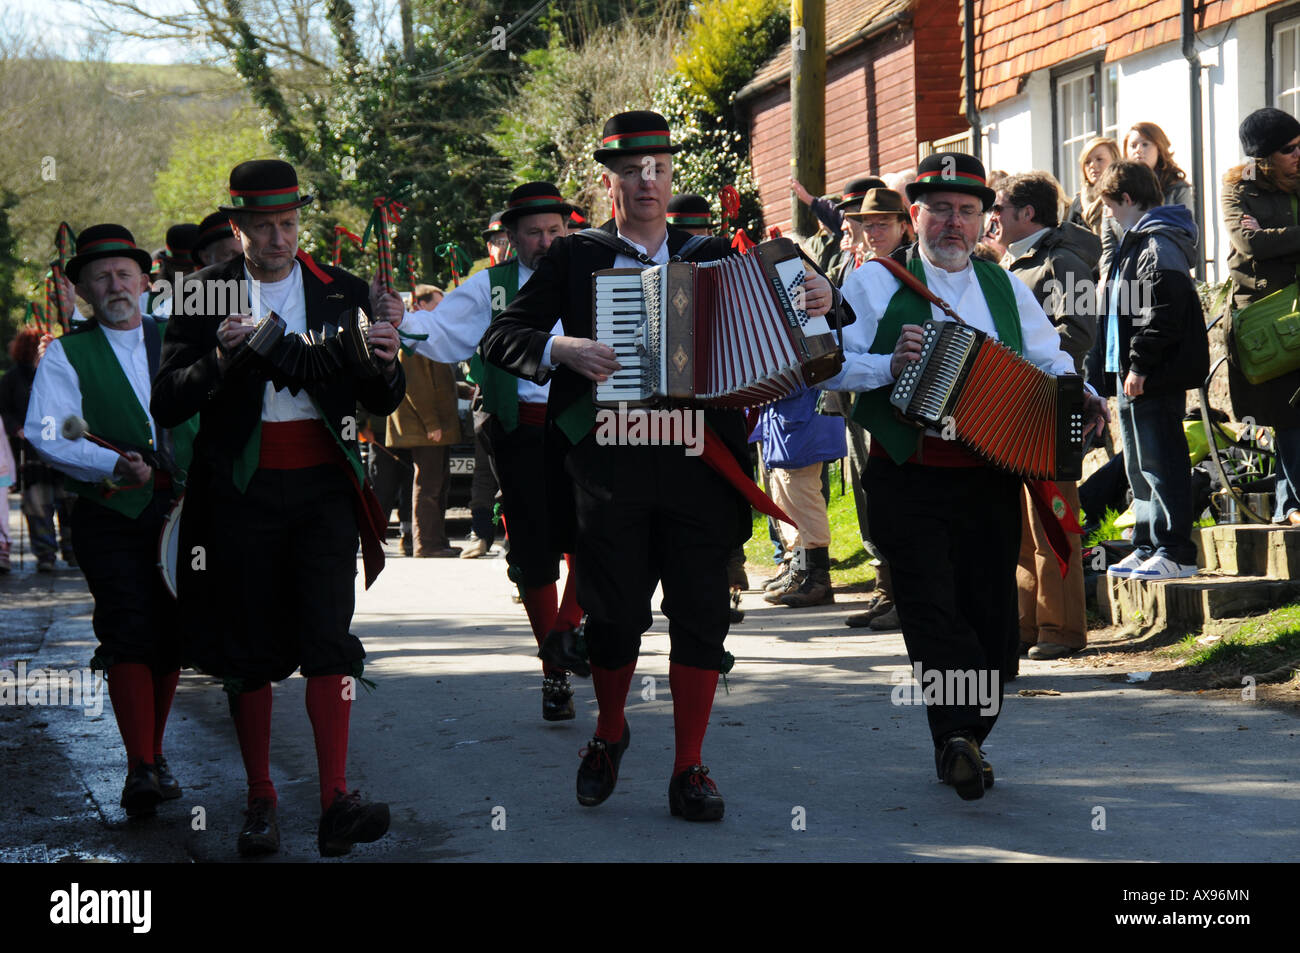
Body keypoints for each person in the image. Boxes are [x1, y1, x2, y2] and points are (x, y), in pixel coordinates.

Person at [479, 110, 843, 820]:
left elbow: (816, 316)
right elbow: (504, 335)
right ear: (609, 180)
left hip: (698, 464)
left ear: (671, 175)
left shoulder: (713, 255)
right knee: (613, 621)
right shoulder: (576, 256)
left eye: (659, 170)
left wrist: (830, 295)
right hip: (608, 468)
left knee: (702, 614)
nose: (648, 183)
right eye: (632, 172)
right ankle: (610, 731)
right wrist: (565, 351)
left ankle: (689, 767)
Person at [823, 152, 1108, 800]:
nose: (954, 222)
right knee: (931, 608)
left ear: (985, 219)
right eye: (942, 209)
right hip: (908, 470)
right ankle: (956, 736)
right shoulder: (874, 284)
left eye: (968, 210)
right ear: (915, 214)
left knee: (992, 627)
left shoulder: (1003, 286)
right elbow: (829, 365)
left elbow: (1050, 357)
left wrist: (1080, 392)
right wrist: (886, 364)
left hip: (988, 477)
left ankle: (967, 734)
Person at [151, 159, 404, 857]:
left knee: (330, 636)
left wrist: (385, 361)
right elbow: (168, 398)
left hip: (324, 484)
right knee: (248, 645)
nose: (277, 238)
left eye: (288, 224)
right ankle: (260, 797)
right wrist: (220, 362)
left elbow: (382, 395)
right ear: (236, 228)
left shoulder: (343, 289)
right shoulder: (201, 294)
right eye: (261, 227)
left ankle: (335, 801)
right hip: (238, 487)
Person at [395, 181, 587, 722]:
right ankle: (554, 675)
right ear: (512, 237)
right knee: (532, 552)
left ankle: (568, 633)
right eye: (534, 232)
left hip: (583, 427)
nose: (546, 241)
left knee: (598, 532)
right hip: (517, 430)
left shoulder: (593, 274)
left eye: (555, 230)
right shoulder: (491, 288)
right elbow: (437, 331)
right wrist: (397, 318)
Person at [24, 223, 195, 817]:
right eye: (101, 277)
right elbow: (46, 431)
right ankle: (139, 766)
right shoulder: (68, 354)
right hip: (109, 512)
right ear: (86, 293)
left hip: (181, 510)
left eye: (124, 273)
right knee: (128, 629)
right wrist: (111, 466)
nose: (115, 284)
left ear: (146, 280)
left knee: (173, 634)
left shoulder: (177, 336)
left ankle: (155, 752)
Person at [994, 171, 1101, 660]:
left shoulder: (1063, 260)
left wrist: (1017, 364)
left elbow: (1076, 333)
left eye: (1000, 210)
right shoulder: (1015, 264)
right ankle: (1026, 623)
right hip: (1016, 405)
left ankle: (1062, 629)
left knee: (1054, 520)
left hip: (1051, 404)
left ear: (1027, 214)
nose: (993, 219)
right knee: (1020, 523)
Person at [1087, 160, 1208, 580]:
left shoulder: (1157, 242)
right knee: (1138, 464)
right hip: (1131, 374)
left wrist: (1139, 365)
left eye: (1108, 206)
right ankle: (1147, 544)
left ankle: (1176, 551)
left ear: (1126, 198)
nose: (1107, 215)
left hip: (1152, 376)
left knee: (1162, 462)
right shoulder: (1134, 241)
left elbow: (1163, 310)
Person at [837, 188, 914, 629]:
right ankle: (886, 589)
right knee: (873, 494)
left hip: (908, 407)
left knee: (898, 499)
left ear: (904, 225)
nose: (874, 230)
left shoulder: (919, 268)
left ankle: (901, 594)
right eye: (868, 223)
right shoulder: (861, 272)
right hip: (870, 394)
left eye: (883, 222)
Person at [1220, 106, 1300, 526]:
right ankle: (1293, 505)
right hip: (1269, 320)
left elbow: (1267, 241)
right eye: (1289, 149)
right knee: (1288, 412)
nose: (1299, 154)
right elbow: (1250, 243)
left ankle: (1291, 506)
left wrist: (1277, 238)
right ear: (1264, 157)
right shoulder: (1238, 189)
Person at [389, 284, 462, 557]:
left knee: (439, 483)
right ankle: (427, 543)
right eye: (437, 304)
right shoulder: (415, 336)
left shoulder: (429, 333)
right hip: (427, 428)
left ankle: (436, 540)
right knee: (429, 485)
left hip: (437, 426)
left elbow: (438, 381)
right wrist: (432, 424)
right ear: (419, 305)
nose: (442, 311)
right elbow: (416, 387)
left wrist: (462, 389)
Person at [0, 328, 75, 571]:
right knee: (37, 505)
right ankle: (45, 554)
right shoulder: (12, 378)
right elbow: (5, 410)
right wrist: (17, 428)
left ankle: (73, 550)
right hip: (31, 453)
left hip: (62, 449)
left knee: (69, 502)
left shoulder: (57, 373)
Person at [1066, 137, 1121, 237]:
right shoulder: (1078, 203)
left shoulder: (1123, 196)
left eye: (1099, 159)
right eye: (1087, 162)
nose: (1092, 165)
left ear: (1115, 161)